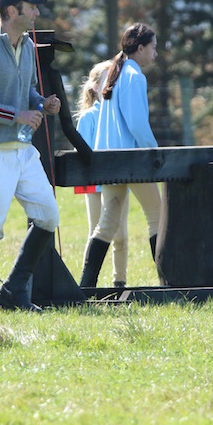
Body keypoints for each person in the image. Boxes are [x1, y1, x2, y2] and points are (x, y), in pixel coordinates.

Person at [0, 0, 61, 311]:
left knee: (48, 216)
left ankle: (13, 290)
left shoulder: (30, 46)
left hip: (23, 151)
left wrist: (42, 102)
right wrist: (18, 115)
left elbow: (30, 90)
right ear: (11, 12)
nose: (36, 12)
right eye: (31, 7)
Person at [79, 23, 165, 288]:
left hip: (110, 160)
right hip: (133, 160)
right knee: (157, 216)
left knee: (107, 223)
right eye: (153, 48)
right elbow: (137, 124)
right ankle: (168, 282)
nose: (155, 54)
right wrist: (154, 152)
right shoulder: (134, 76)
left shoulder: (112, 73)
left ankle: (86, 286)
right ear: (140, 48)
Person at [76, 59, 130, 287]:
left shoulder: (118, 114)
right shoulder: (88, 118)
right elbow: (82, 155)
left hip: (117, 182)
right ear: (96, 87)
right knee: (96, 231)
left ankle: (120, 281)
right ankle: (89, 283)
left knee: (121, 234)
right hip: (95, 186)